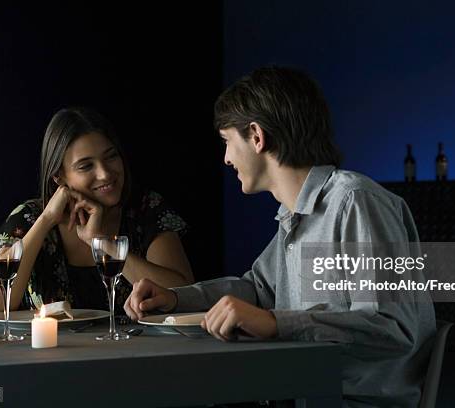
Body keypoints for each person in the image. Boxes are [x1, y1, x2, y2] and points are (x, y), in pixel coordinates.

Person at [124, 66, 436, 407]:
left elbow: (393, 327)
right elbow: (257, 290)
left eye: (227, 142)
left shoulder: (355, 202)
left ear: (257, 136)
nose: (226, 159)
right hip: (301, 391)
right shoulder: (293, 217)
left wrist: (276, 322)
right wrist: (174, 299)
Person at [0, 107, 193, 315]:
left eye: (111, 157)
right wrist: (45, 220)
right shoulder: (30, 217)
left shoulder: (146, 208)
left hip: (135, 351)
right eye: (86, 166)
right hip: (50, 353)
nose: (105, 174)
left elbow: (183, 295)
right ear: (59, 177)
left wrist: (100, 242)